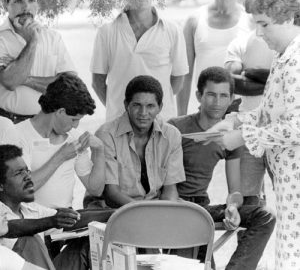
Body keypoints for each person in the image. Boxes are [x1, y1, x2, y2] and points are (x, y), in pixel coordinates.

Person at [206, 0, 300, 270]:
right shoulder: (283, 56)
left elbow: (296, 125)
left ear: (286, 15)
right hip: (286, 179)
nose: (258, 33)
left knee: (292, 254)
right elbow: (270, 113)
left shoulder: (297, 61)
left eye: (264, 24)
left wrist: (242, 137)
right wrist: (234, 120)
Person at [169, 67, 275, 270]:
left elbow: (235, 190)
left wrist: (233, 207)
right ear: (199, 95)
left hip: (201, 206)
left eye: (223, 96)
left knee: (265, 216)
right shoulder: (176, 128)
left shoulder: (230, 137)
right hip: (174, 205)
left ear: (232, 98)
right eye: (211, 95)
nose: (217, 102)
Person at [90, 0, 188, 122]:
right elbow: (97, 83)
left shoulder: (172, 30)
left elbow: (178, 80)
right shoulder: (107, 32)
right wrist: (122, 112)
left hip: (161, 125)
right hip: (118, 127)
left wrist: (151, 111)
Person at [0, 144, 113, 270]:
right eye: (19, 173)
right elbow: (12, 227)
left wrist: (115, 213)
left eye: (27, 171)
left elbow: (71, 219)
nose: (27, 176)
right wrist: (51, 221)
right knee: (29, 240)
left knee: (86, 244)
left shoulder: (30, 208)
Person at [15, 73, 105, 209]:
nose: (76, 126)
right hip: (30, 224)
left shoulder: (74, 137)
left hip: (66, 222)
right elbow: (22, 189)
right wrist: (61, 157)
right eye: (74, 119)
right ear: (60, 112)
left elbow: (95, 189)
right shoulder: (18, 135)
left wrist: (99, 150)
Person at [93, 75, 185, 208]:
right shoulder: (106, 135)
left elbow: (170, 190)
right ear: (126, 105)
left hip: (155, 208)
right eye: (137, 105)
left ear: (160, 107)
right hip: (114, 208)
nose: (143, 112)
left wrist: (165, 213)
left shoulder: (171, 135)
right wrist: (144, 213)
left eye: (150, 106)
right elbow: (111, 193)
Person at [0, 0, 75, 124]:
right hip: (9, 123)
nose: (26, 7)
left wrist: (25, 79)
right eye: (19, 1)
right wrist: (33, 41)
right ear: (5, 4)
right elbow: (11, 82)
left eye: (31, 0)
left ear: (38, 4)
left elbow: (70, 85)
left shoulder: (53, 38)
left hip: (47, 122)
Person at [177, 0, 252, 115]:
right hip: (201, 110)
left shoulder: (251, 22)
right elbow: (184, 74)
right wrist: (181, 116)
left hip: (239, 113)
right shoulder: (193, 20)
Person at [225, 31, 275, 205]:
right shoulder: (241, 42)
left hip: (281, 132)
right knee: (247, 200)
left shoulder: (290, 45)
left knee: (290, 196)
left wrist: (252, 75)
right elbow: (232, 82)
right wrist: (273, 78)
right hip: (247, 129)